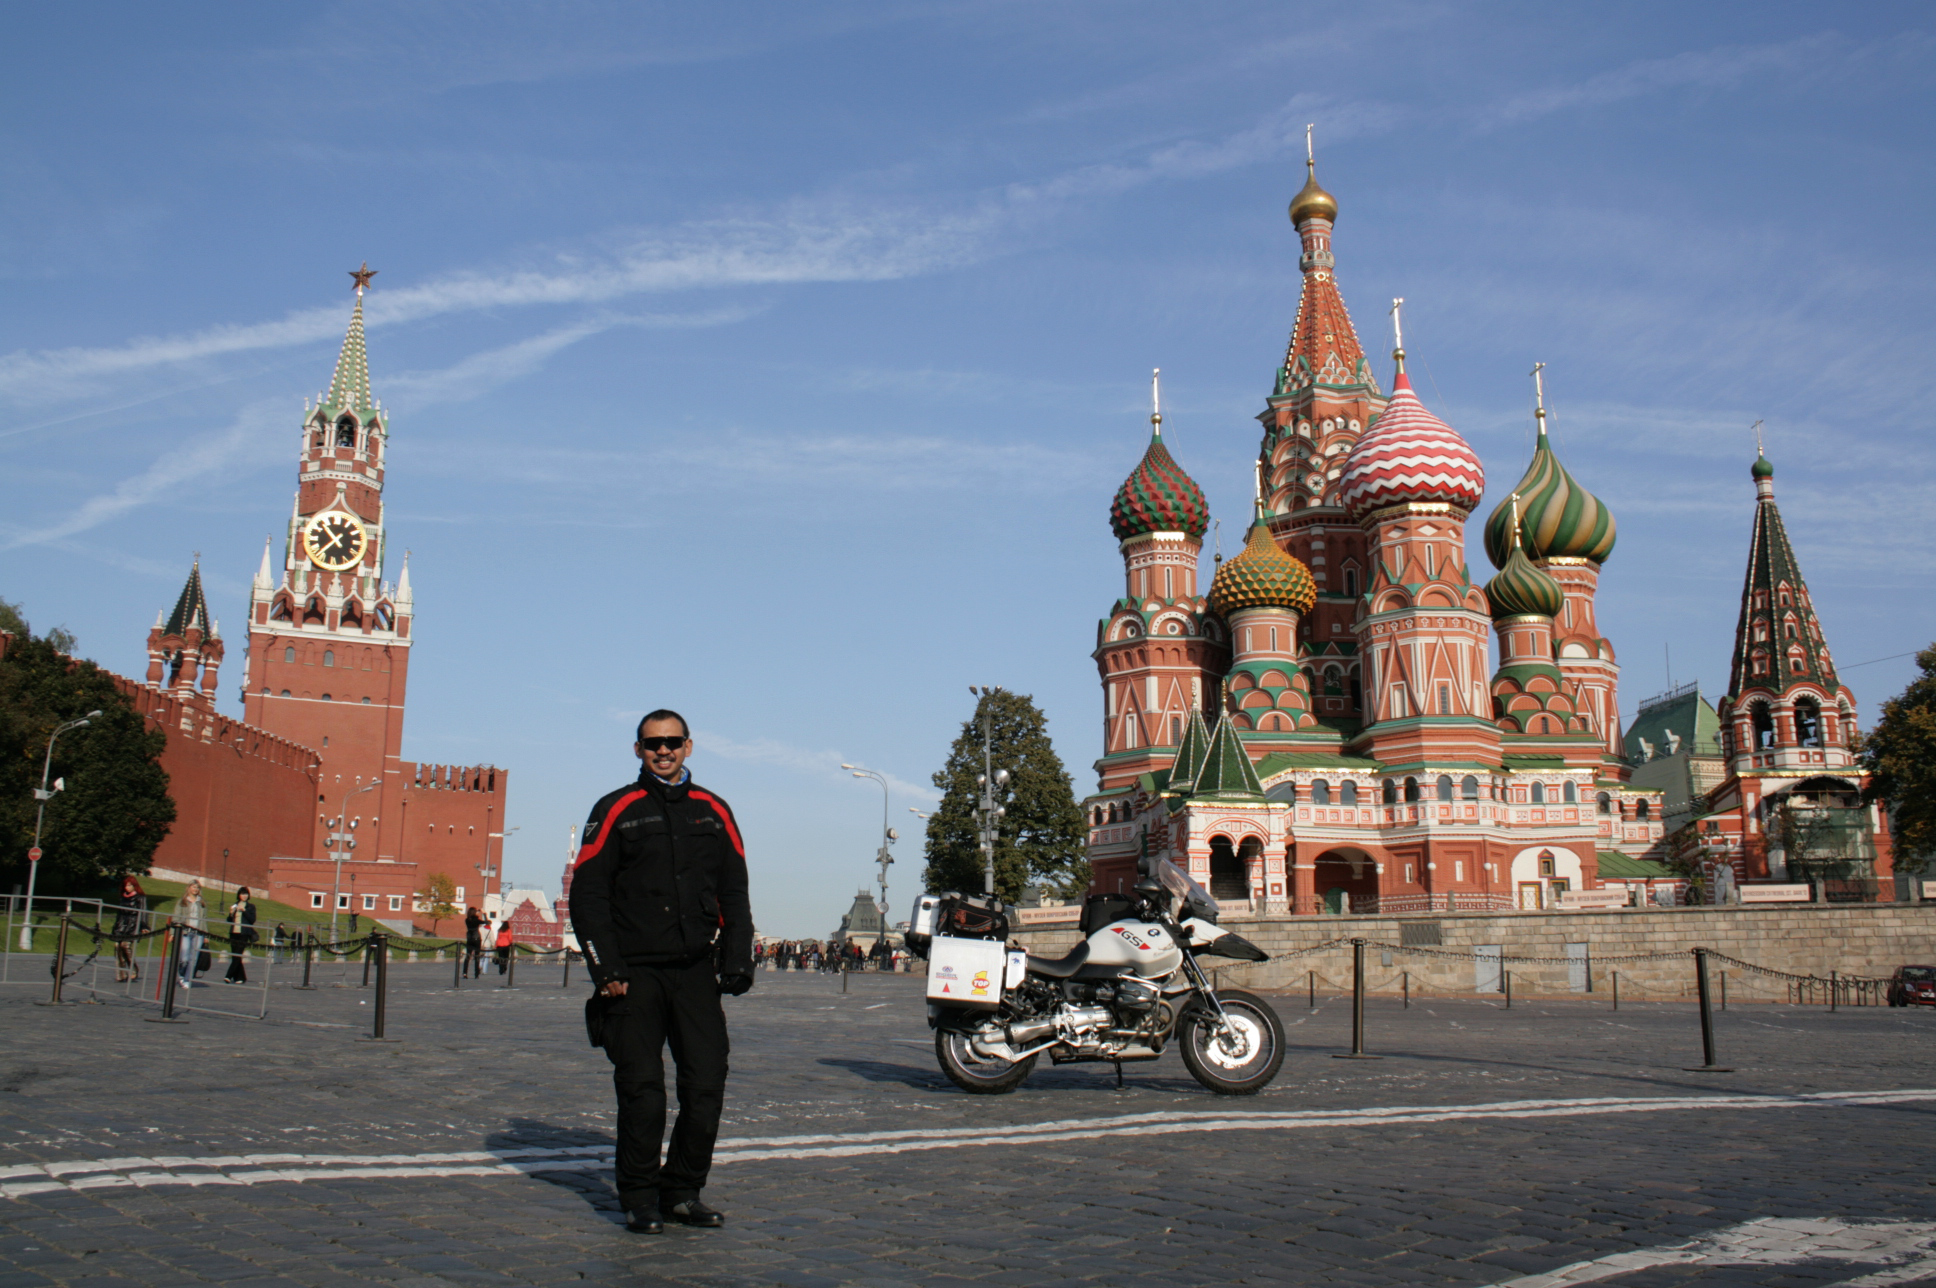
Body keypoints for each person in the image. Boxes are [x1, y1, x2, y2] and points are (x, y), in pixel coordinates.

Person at [571, 708, 753, 1236]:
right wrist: (604, 968)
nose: (664, 750)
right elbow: (588, 893)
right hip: (633, 974)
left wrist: (737, 959)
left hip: (695, 970)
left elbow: (734, 889)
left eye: (673, 741)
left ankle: (683, 1190)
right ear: (638, 750)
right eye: (653, 743)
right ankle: (639, 1195)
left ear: (689, 746)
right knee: (643, 1090)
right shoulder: (615, 809)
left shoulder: (714, 810)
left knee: (706, 1085)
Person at [110, 875, 147, 983]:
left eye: (130, 885)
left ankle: (133, 969)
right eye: (126, 885)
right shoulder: (122, 897)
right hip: (121, 925)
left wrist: (144, 926)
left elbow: (143, 913)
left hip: (133, 925)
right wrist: (115, 928)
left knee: (125, 946)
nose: (128, 887)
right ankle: (121, 974)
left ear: (134, 886)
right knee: (117, 946)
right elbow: (119, 914)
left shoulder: (140, 898)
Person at [173, 881, 206, 991]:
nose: (195, 889)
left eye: (197, 887)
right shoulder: (182, 902)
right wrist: (173, 933)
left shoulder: (201, 902)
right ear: (189, 888)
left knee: (194, 958)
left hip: (198, 932)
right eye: (193, 887)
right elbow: (176, 918)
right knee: (185, 957)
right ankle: (181, 974)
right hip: (185, 932)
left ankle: (187, 979)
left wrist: (206, 934)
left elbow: (204, 920)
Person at [225, 887, 258, 983]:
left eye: (246, 894)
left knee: (237, 954)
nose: (244, 896)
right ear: (239, 895)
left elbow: (252, 920)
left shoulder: (251, 907)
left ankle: (228, 975)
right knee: (235, 956)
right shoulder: (235, 905)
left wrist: (244, 911)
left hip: (244, 933)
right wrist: (231, 914)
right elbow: (229, 920)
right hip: (234, 933)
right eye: (242, 894)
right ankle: (240, 978)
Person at [464, 906, 485, 978]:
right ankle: (476, 974)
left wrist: (476, 912)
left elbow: (472, 918)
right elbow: (487, 922)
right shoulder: (477, 920)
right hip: (477, 938)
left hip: (469, 938)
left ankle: (465, 973)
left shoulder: (467, 920)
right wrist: (484, 913)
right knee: (477, 957)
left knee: (468, 956)